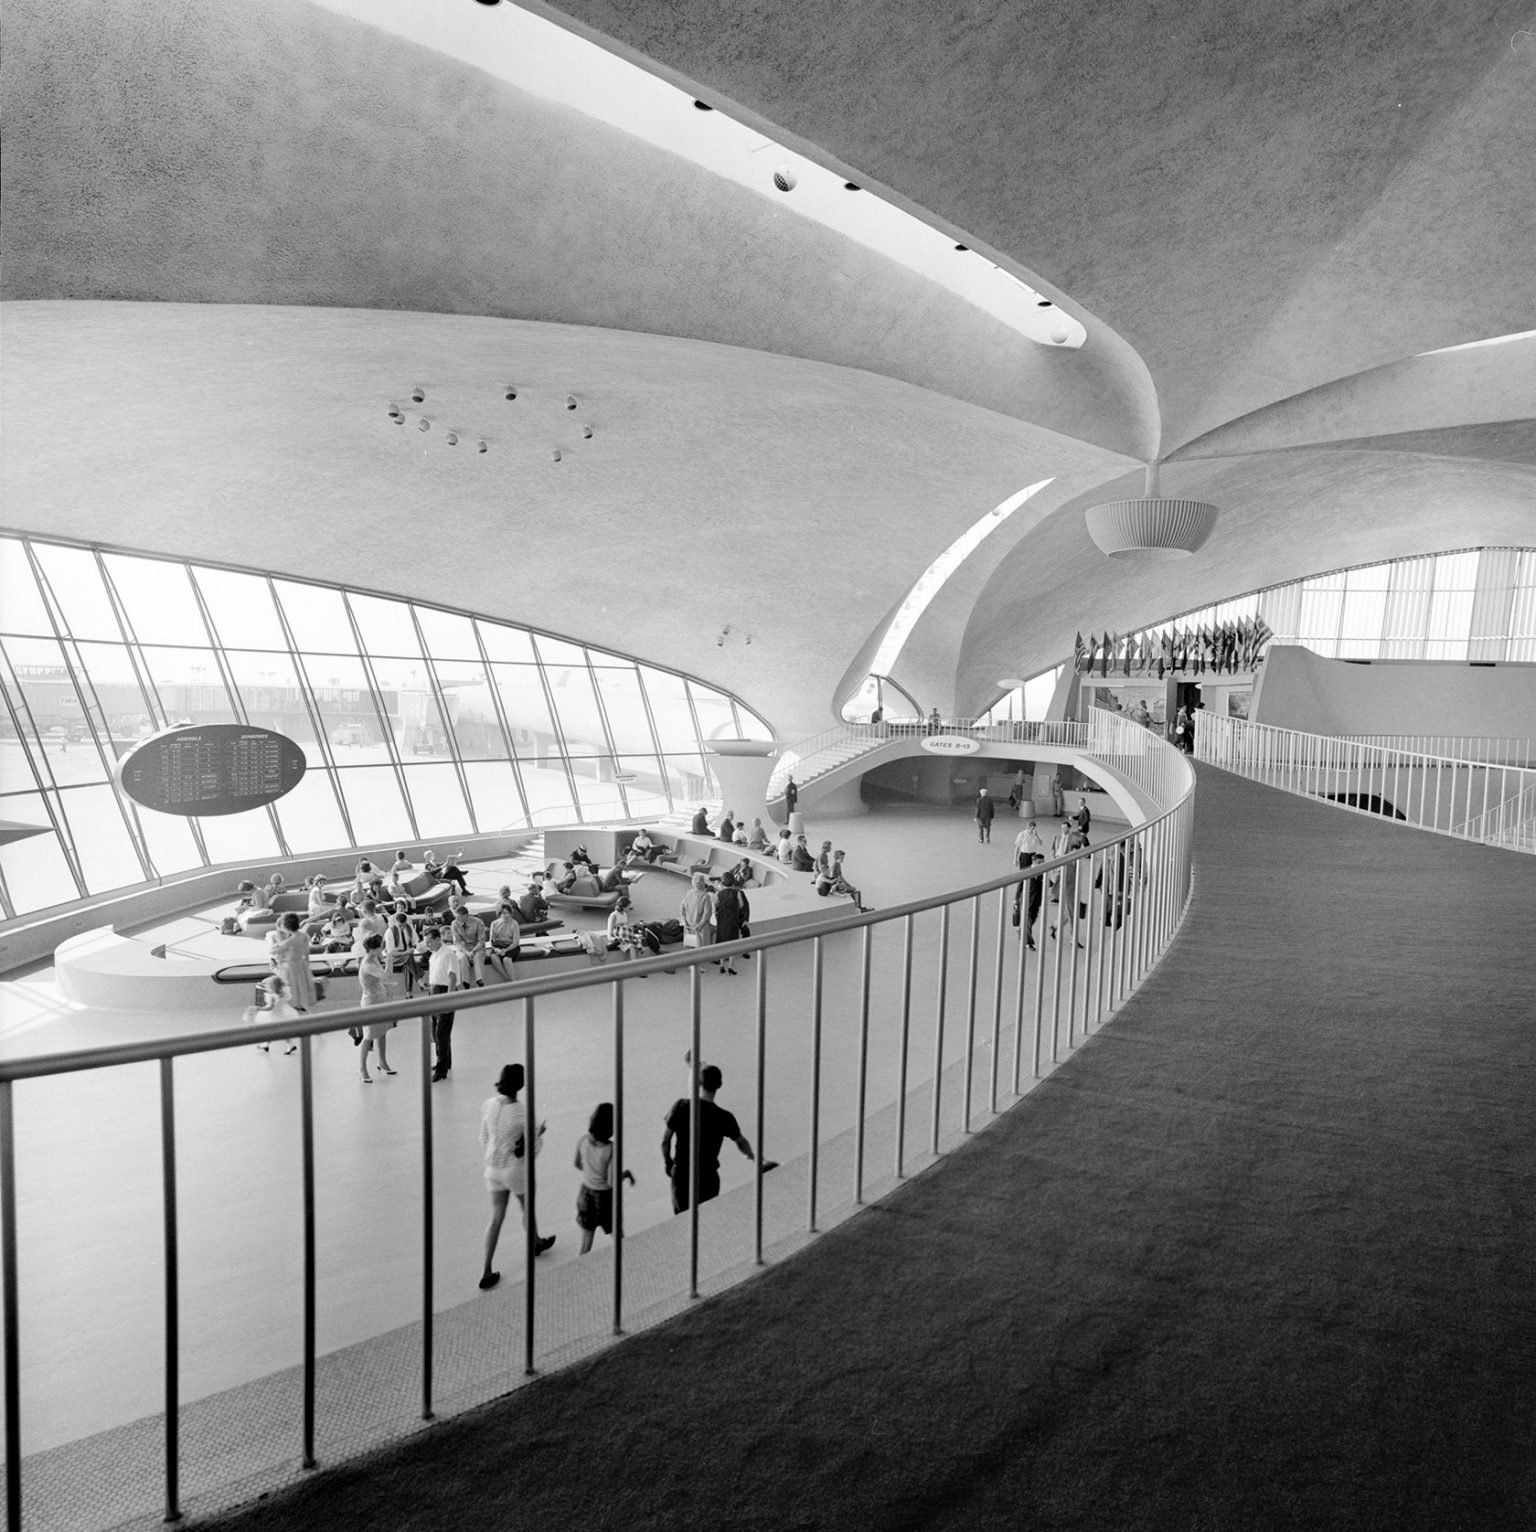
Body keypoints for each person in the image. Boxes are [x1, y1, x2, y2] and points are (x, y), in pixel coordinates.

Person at [479, 1063, 555, 1289]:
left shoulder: (489, 1105)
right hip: (515, 1169)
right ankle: (535, 1242)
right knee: (527, 1207)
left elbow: (483, 1138)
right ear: (520, 1084)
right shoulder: (523, 1112)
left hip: (492, 1167)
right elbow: (531, 1148)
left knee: (496, 1218)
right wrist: (538, 1133)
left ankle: (486, 1269)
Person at [662, 1065, 772, 1214]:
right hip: (708, 1178)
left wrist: (668, 1163)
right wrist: (752, 1156)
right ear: (719, 1085)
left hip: (682, 1175)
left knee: (683, 1220)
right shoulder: (724, 1117)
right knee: (706, 1221)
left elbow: (665, 1141)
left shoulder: (681, 1106)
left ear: (698, 1084)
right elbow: (740, 1141)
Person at [574, 1103, 634, 1254]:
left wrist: (591, 1172)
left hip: (586, 1194)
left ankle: (579, 1270)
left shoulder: (583, 1141)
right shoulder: (611, 1149)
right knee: (617, 1234)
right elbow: (611, 1180)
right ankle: (626, 1260)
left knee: (586, 1243)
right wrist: (626, 1174)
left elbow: (577, 1164)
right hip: (605, 1198)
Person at [418, 926, 460, 1081]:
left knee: (441, 1033)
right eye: (426, 942)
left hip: (444, 992)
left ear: (437, 939)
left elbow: (452, 978)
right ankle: (444, 1062)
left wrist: (448, 1000)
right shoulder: (433, 955)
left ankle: (441, 1071)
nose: (427, 945)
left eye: (429, 941)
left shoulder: (448, 954)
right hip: (434, 992)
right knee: (437, 1030)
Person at [356, 932, 397, 1082]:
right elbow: (387, 975)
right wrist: (390, 959)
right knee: (369, 1036)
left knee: (382, 1031)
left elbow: (381, 979)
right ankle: (362, 1068)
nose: (382, 949)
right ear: (373, 949)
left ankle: (382, 1061)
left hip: (381, 998)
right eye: (380, 947)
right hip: (371, 1002)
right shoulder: (367, 964)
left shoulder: (374, 959)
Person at [265, 911, 317, 1011]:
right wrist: (307, 964)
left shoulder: (290, 941)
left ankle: (293, 1004)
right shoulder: (303, 935)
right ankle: (301, 1004)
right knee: (301, 984)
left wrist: (276, 945)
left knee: (292, 986)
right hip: (301, 964)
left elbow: (273, 951)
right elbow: (306, 952)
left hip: (291, 966)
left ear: (286, 926)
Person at [1049, 830, 1088, 948]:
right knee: (1073, 916)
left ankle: (1054, 926)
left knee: (1068, 914)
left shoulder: (1078, 861)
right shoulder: (1066, 862)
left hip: (1074, 891)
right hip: (1068, 892)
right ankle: (1073, 938)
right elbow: (1058, 876)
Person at [246, 973, 300, 1055]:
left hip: (274, 1015)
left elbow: (270, 1007)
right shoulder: (283, 993)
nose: (267, 987)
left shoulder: (272, 996)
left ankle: (289, 1045)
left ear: (273, 987)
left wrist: (259, 1008)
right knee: (273, 1031)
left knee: (276, 1031)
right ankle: (267, 1044)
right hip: (281, 1013)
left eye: (269, 985)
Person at [1013, 818, 1046, 949]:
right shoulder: (1022, 834)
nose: (1032, 829)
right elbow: (1017, 846)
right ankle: (1028, 942)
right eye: (1031, 827)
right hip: (1025, 856)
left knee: (1031, 919)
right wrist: (1016, 899)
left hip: (1036, 901)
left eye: (1034, 827)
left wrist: (1037, 836)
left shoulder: (1043, 873)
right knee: (1028, 920)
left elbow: (1041, 843)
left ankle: (1022, 930)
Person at [713, 877, 749, 975]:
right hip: (733, 920)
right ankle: (730, 967)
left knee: (721, 942)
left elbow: (716, 905)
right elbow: (741, 905)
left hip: (721, 921)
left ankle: (721, 966)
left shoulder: (718, 894)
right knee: (733, 943)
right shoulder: (737, 893)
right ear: (732, 883)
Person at [450, 903, 488, 987]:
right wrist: (466, 952)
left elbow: (481, 941)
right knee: (462, 957)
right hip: (463, 948)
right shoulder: (454, 924)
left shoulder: (478, 922)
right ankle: (465, 982)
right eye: (456, 916)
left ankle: (480, 980)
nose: (457, 919)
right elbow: (457, 942)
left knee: (477, 957)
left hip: (476, 946)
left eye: (459, 917)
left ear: (466, 915)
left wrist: (473, 951)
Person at [680, 872, 715, 956]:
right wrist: (699, 926)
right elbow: (707, 915)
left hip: (689, 925)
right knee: (701, 950)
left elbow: (682, 910)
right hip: (700, 927)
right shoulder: (705, 896)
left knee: (691, 947)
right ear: (703, 883)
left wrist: (685, 923)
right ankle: (701, 966)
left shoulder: (688, 893)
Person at [606, 895, 646, 967]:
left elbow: (626, 927)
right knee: (632, 946)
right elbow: (610, 932)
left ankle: (636, 963)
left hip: (625, 936)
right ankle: (636, 966)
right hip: (618, 937)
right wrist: (614, 939)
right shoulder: (614, 916)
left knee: (637, 942)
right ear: (623, 907)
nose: (629, 908)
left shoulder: (625, 914)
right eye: (628, 906)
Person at [487, 903, 521, 980]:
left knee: (506, 959)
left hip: (511, 946)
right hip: (498, 946)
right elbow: (491, 940)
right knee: (493, 957)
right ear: (500, 914)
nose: (506, 915)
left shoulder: (514, 923)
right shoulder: (494, 924)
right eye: (504, 913)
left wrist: (505, 950)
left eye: (508, 913)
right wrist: (496, 949)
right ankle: (506, 978)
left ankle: (514, 981)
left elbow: (516, 942)